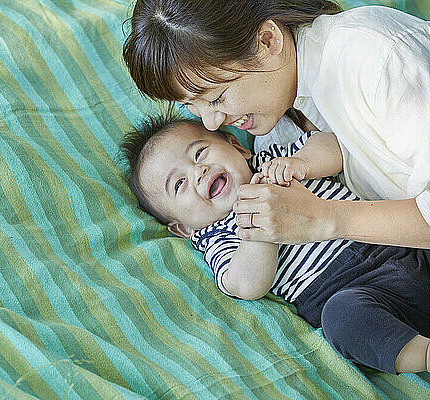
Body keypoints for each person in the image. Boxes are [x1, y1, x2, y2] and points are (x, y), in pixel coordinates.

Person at [119, 114, 430, 375]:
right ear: (183, 228)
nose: (198, 172)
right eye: (179, 184)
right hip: (355, 294)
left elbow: (333, 144)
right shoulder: (217, 235)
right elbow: (245, 283)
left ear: (237, 147)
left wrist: (302, 164)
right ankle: (424, 355)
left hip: (395, 242)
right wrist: (258, 229)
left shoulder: (272, 163)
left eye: (200, 154)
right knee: (341, 320)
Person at [122, 0, 430, 248]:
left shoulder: (376, 59)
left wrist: (325, 219)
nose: (212, 124)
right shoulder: (277, 129)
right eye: (189, 105)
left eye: (216, 99)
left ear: (267, 41)